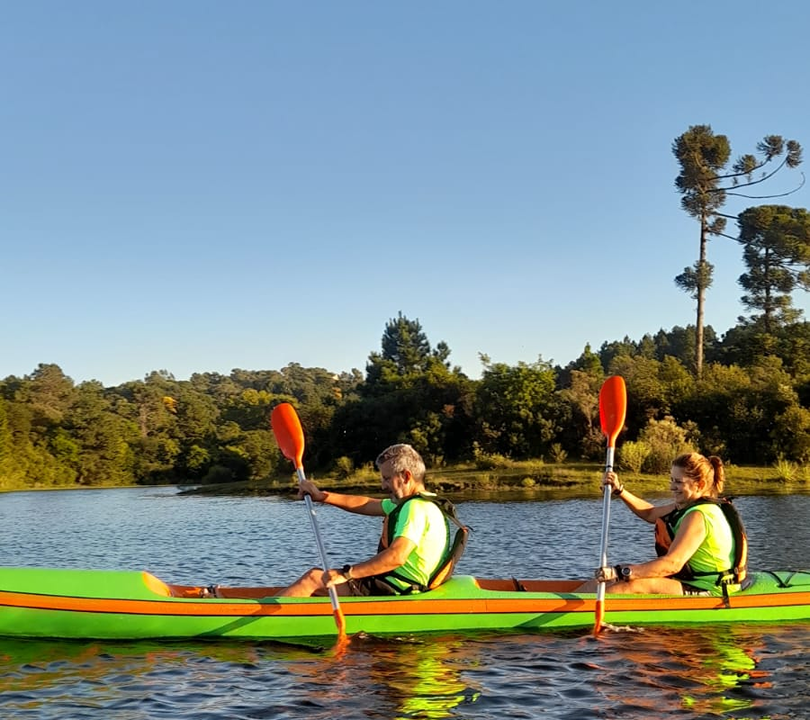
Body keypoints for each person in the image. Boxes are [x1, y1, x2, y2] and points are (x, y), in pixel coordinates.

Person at [276, 443, 462, 598]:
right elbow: (365, 504)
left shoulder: (415, 508)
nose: (382, 485)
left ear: (406, 476)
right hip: (395, 583)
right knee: (319, 583)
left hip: (397, 588)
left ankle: (261, 622)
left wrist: (347, 574)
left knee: (313, 579)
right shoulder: (422, 502)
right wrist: (321, 496)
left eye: (387, 478)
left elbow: (396, 557)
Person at [580, 452, 747, 597]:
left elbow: (672, 564)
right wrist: (619, 490)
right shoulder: (687, 506)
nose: (672, 487)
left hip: (710, 588)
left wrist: (623, 572)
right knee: (606, 580)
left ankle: (580, 612)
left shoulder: (699, 515)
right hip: (690, 581)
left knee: (630, 584)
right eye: (671, 480)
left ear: (700, 485)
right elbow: (650, 513)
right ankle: (567, 605)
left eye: (679, 482)